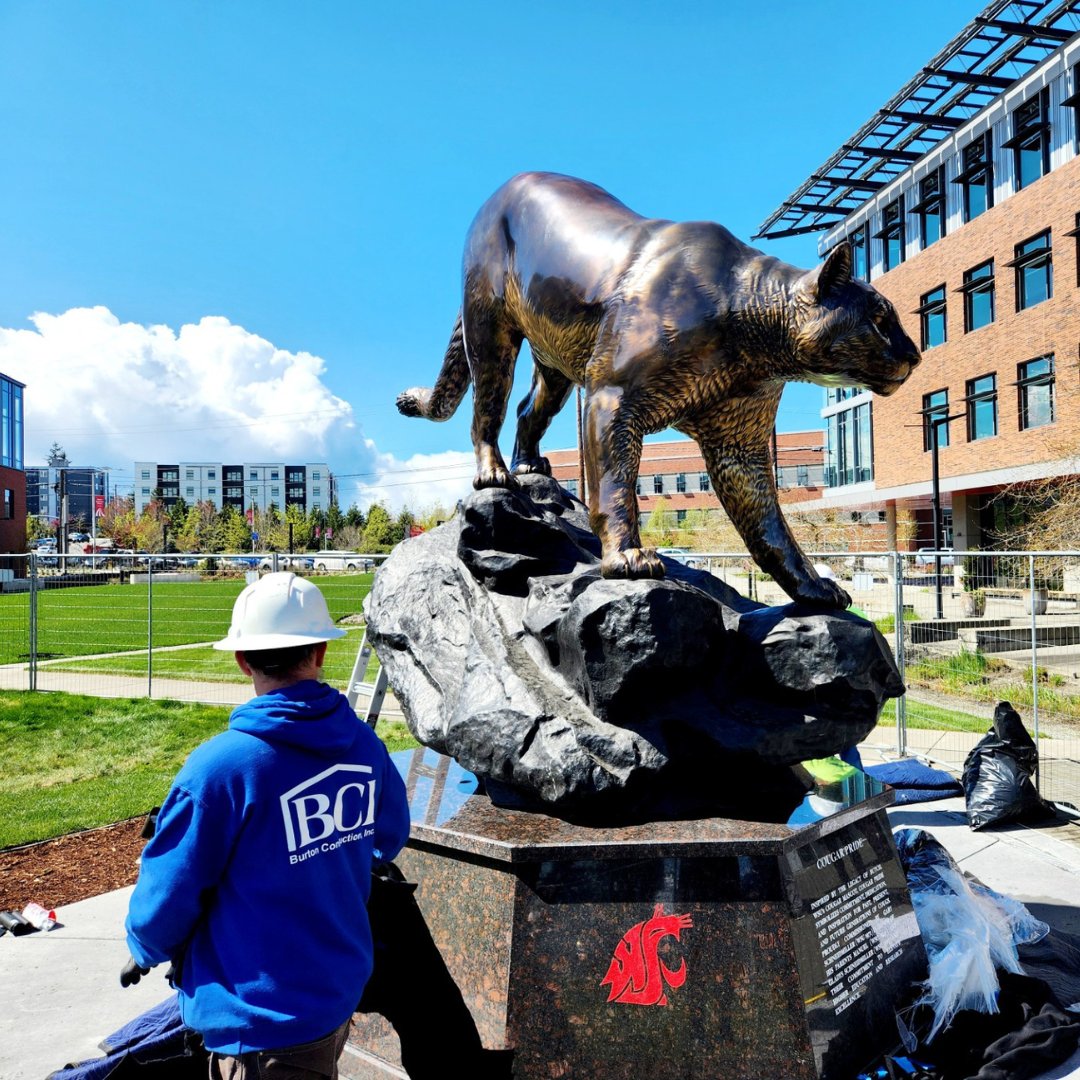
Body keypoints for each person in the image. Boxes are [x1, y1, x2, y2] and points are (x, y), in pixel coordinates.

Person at [121, 571, 411, 1080]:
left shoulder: (222, 768)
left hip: (260, 1028)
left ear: (241, 660)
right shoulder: (365, 748)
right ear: (320, 652)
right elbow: (389, 836)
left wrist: (144, 945)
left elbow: (167, 895)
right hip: (333, 995)